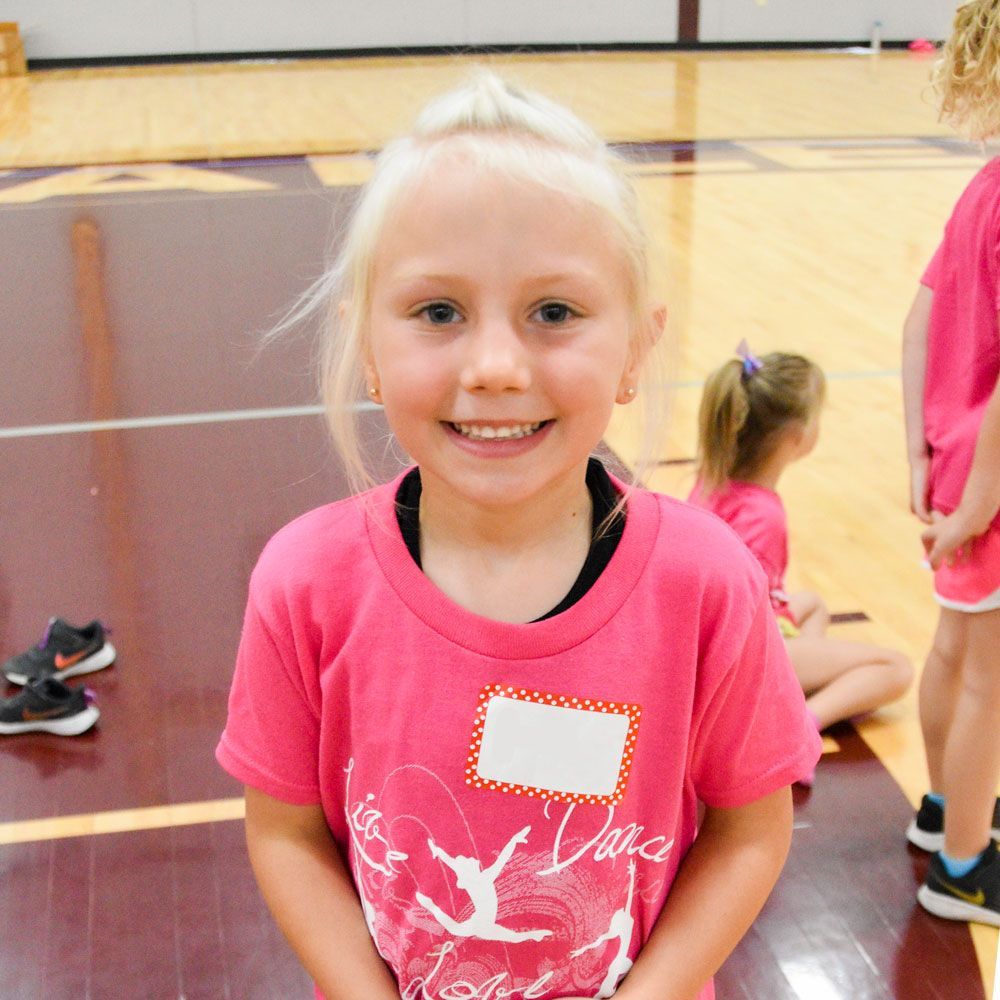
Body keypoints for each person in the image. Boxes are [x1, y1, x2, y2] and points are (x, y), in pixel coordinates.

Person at [216, 72, 820, 1000]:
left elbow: (751, 829)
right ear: (368, 349)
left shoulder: (706, 583)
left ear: (635, 350)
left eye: (554, 313)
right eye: (438, 312)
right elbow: (285, 832)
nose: (495, 367)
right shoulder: (306, 581)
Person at [901, 0, 1000, 927]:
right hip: (993, 484)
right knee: (990, 681)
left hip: (954, 459)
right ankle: (966, 869)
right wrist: (978, 501)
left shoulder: (986, 182)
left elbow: (919, 319)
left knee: (956, 649)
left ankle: (942, 813)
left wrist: (916, 457)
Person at [688, 345, 913, 752]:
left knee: (812, 604)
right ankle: (799, 727)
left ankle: (784, 696)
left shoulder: (712, 479)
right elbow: (743, 614)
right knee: (895, 669)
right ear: (797, 437)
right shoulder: (763, 514)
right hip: (738, 653)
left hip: (709, 635)